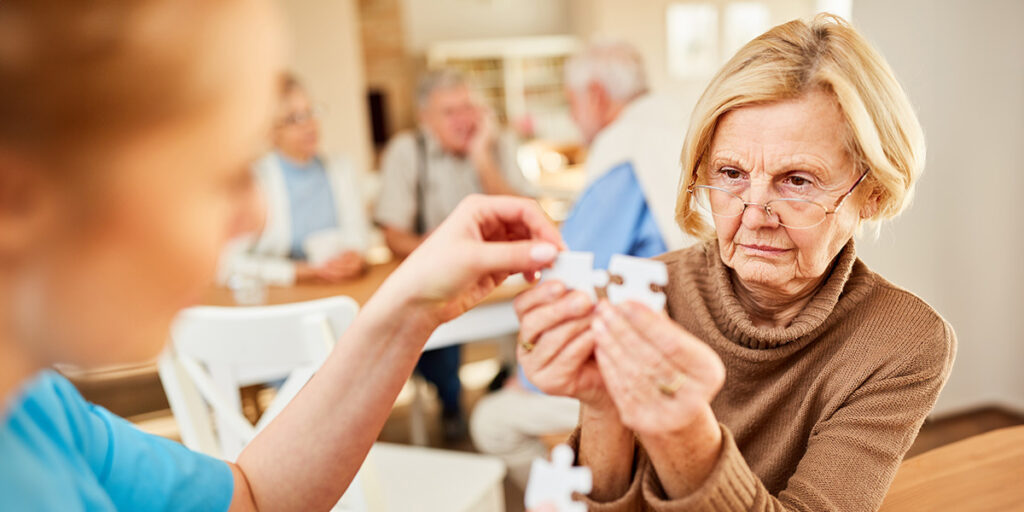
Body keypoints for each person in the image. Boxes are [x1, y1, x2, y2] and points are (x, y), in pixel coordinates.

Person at [0, 1, 564, 510]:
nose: (256, 215)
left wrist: (413, 306)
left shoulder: (37, 412)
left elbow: (252, 497)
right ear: (17, 197)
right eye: (223, 172)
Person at [517, 14, 956, 511]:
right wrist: (602, 407)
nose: (754, 216)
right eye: (730, 172)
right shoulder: (647, 293)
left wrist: (686, 434)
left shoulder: (903, 341)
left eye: (798, 180)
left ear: (872, 193)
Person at [469, 40, 699, 488]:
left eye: (572, 102)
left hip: (656, 365)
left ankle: (578, 495)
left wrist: (530, 382)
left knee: (491, 420)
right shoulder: (671, 119)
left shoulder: (623, 146)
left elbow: (571, 277)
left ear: (595, 95)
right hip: (689, 339)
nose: (574, 116)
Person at [374, 69, 535, 439]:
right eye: (449, 112)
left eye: (468, 107)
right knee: (433, 323)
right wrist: (439, 254)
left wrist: (482, 156)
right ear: (425, 119)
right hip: (440, 275)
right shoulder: (407, 151)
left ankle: (514, 385)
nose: (464, 119)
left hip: (503, 277)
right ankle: (451, 400)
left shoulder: (497, 143)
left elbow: (526, 213)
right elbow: (392, 236)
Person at [219, 73, 369, 286]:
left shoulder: (341, 170)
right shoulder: (255, 181)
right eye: (293, 118)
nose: (309, 125)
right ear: (270, 131)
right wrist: (297, 272)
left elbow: (359, 238)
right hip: (282, 295)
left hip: (338, 287)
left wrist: (356, 258)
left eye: (310, 112)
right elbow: (226, 264)